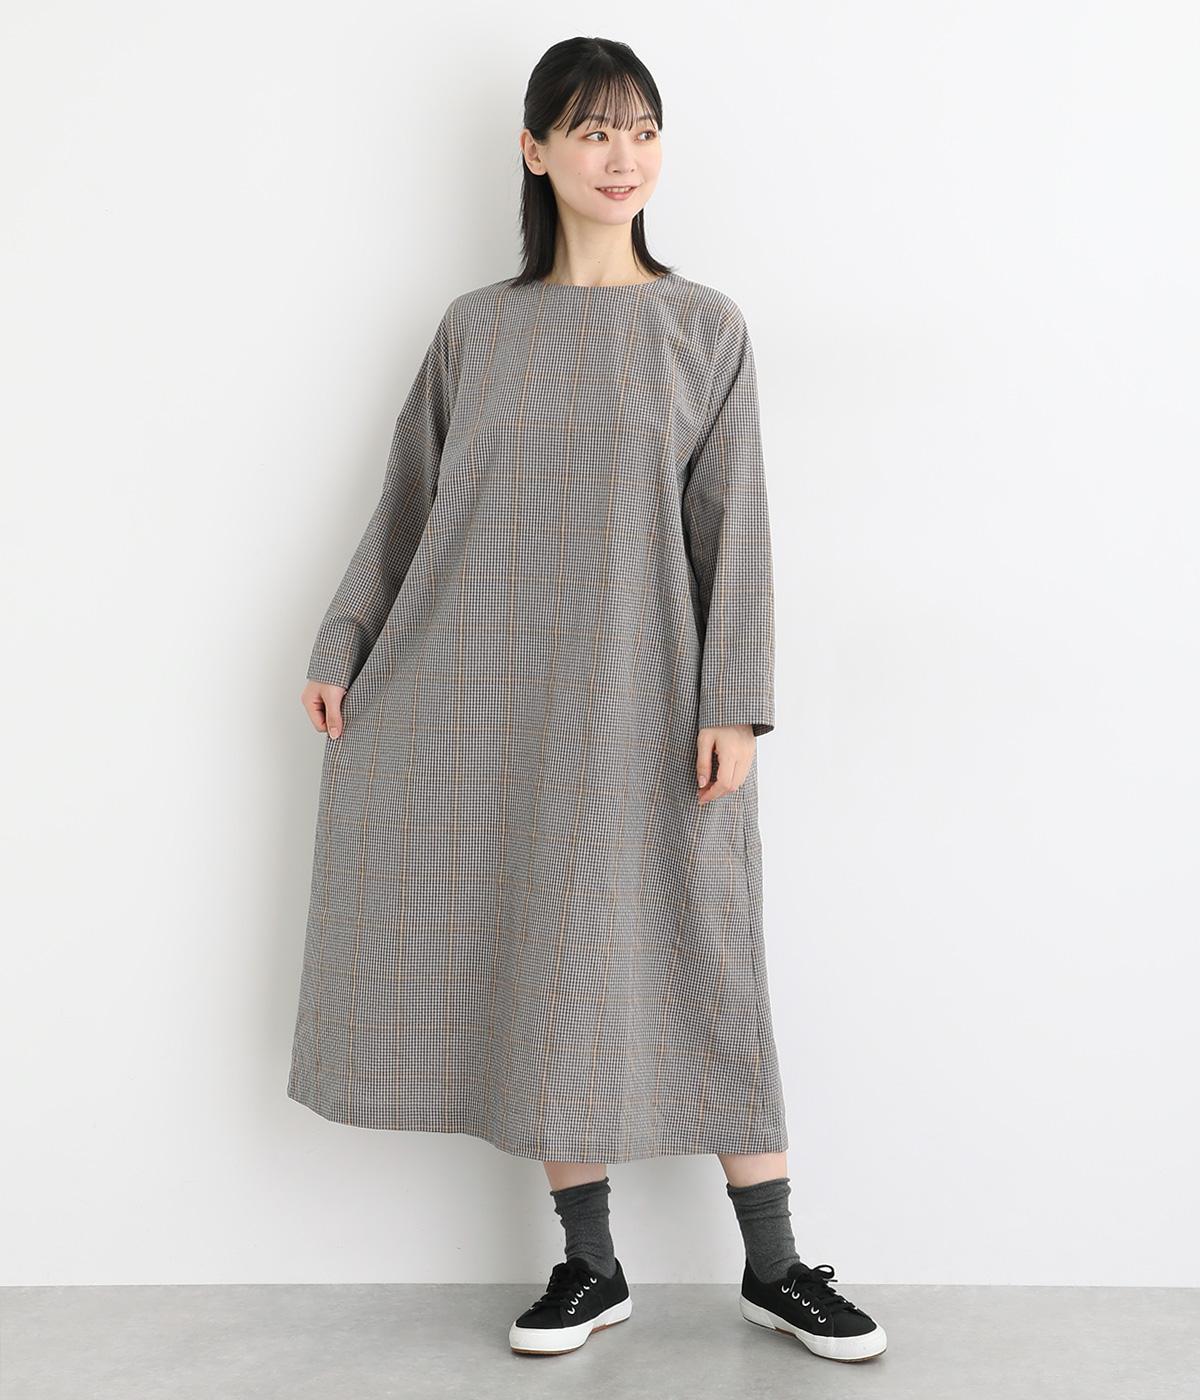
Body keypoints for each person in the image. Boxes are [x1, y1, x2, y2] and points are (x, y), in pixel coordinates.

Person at [286, 35, 886, 1364]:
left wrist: (734, 701)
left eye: (643, 130)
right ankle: (589, 1266)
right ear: (535, 148)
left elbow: (739, 530)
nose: (624, 157)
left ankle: (777, 1265)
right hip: (494, 698)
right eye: (594, 130)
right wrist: (345, 638)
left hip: (655, 699)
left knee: (706, 955)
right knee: (543, 954)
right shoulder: (479, 329)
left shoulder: (703, 327)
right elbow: (410, 503)